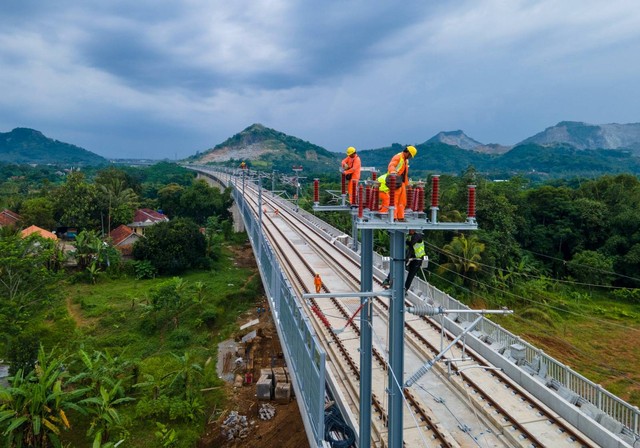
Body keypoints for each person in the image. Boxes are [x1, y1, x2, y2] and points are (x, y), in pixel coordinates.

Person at [387, 145, 417, 221]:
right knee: (395, 200)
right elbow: (391, 165)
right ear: (408, 153)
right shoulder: (398, 157)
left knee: (402, 201)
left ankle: (400, 217)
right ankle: (393, 217)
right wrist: (393, 173)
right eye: (410, 155)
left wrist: (406, 184)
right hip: (395, 181)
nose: (410, 157)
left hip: (401, 182)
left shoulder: (405, 160)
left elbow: (404, 173)